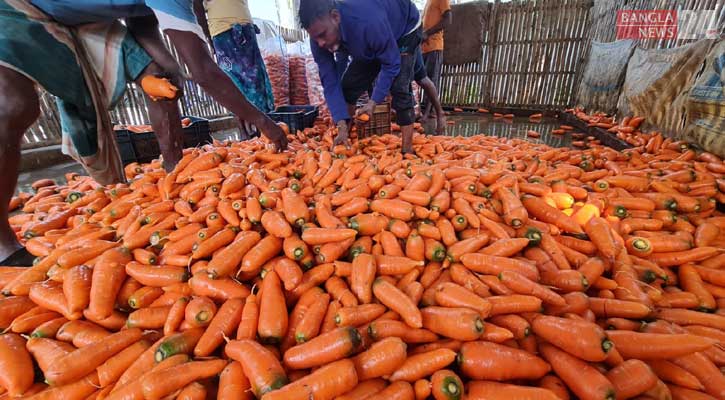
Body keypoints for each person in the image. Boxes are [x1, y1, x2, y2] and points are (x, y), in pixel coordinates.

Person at [0, 0, 287, 265]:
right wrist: (263, 122)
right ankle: (4, 244)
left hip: (77, 19)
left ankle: (173, 171)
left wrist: (171, 68)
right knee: (12, 103)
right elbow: (202, 70)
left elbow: (145, 28)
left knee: (159, 76)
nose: (202, 12)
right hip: (17, 6)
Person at [299, 0, 422, 154]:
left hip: (405, 27)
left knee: (399, 87)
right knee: (349, 86)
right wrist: (340, 123)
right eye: (315, 38)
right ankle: (346, 136)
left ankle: (407, 152)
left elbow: (391, 64)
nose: (321, 43)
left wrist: (373, 102)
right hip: (372, 38)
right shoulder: (319, 38)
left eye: (323, 35)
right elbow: (330, 82)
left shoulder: (368, 21)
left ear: (335, 16)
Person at [193, 0, 276, 138]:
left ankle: (260, 132)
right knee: (235, 82)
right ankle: (245, 133)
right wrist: (208, 36)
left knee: (256, 82)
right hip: (224, 31)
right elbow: (197, 6)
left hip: (246, 28)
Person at [421, 0, 452, 119]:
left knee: (432, 81)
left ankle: (429, 112)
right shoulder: (429, 2)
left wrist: (427, 33)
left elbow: (447, 19)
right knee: (423, 80)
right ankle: (426, 110)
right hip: (424, 48)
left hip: (435, 46)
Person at [413, 48, 446, 135]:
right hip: (422, 49)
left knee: (423, 78)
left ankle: (436, 112)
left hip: (432, 47)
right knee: (420, 78)